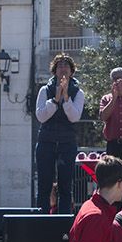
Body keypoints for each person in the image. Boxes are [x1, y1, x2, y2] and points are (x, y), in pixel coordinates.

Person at [35, 54, 86, 213]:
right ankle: (41, 219)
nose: (63, 69)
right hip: (46, 141)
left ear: (71, 71)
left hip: (66, 142)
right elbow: (41, 116)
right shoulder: (45, 90)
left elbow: (74, 117)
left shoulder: (78, 92)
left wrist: (66, 98)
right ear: (55, 71)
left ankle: (64, 221)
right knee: (44, 184)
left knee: (65, 186)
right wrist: (55, 100)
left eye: (66, 66)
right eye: (59, 66)